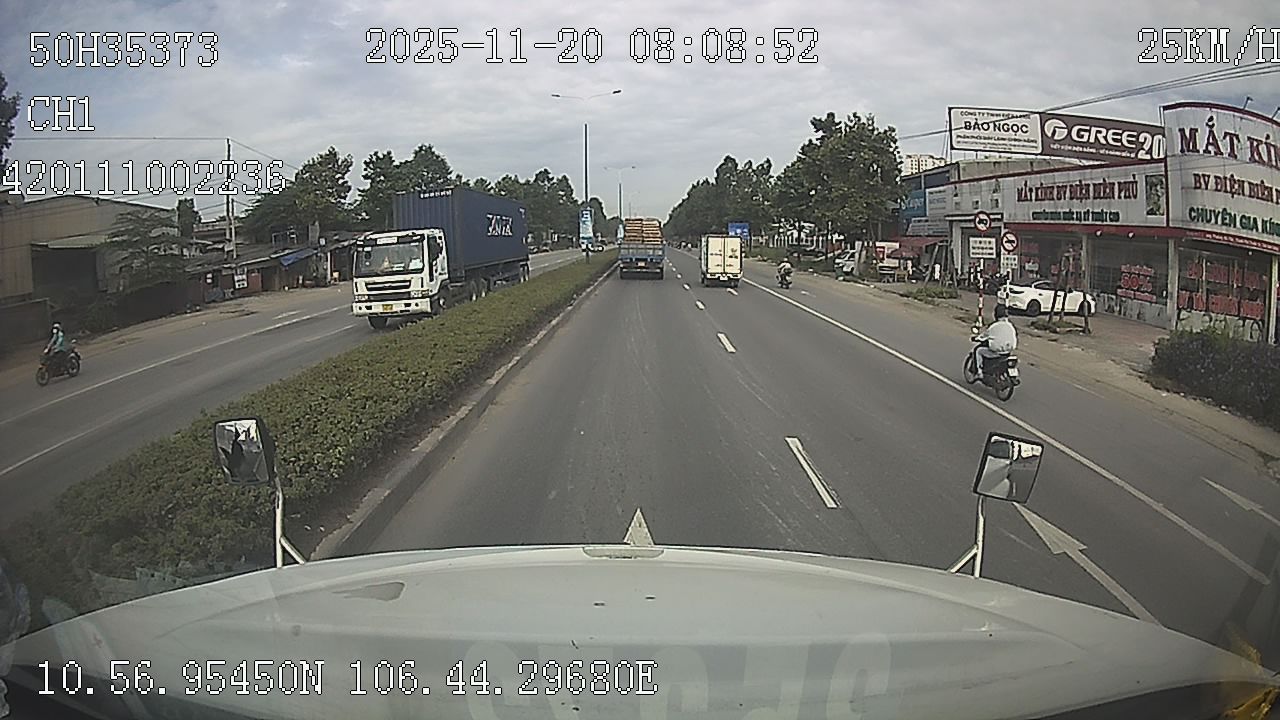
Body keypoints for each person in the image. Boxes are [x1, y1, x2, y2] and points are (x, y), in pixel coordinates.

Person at [973, 304, 1017, 380]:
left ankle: (979, 372)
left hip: (996, 352)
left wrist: (976, 338)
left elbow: (984, 336)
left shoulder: (994, 326)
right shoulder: (1010, 326)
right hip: (1008, 352)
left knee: (978, 351)